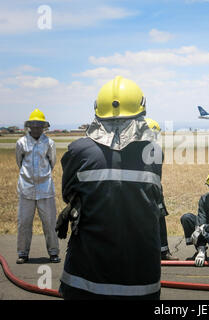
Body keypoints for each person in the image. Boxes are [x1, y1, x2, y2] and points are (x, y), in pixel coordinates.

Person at [57, 76, 162, 300]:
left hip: (85, 278)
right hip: (140, 277)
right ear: (141, 111)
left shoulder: (78, 151)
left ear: (97, 111)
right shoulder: (154, 152)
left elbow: (68, 192)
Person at [15, 109, 60, 264]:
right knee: (24, 222)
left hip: (45, 188)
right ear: (29, 126)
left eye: (39, 125)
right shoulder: (21, 143)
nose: (36, 128)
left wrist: (42, 176)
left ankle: (54, 252)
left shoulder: (49, 143)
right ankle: (22, 253)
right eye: (33, 125)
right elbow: (19, 162)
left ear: (43, 127)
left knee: (50, 222)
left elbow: (52, 162)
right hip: (26, 188)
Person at [144, 118, 178, 261]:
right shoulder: (156, 150)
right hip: (154, 190)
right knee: (159, 220)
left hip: (149, 190)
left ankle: (161, 251)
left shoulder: (152, 150)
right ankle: (162, 251)